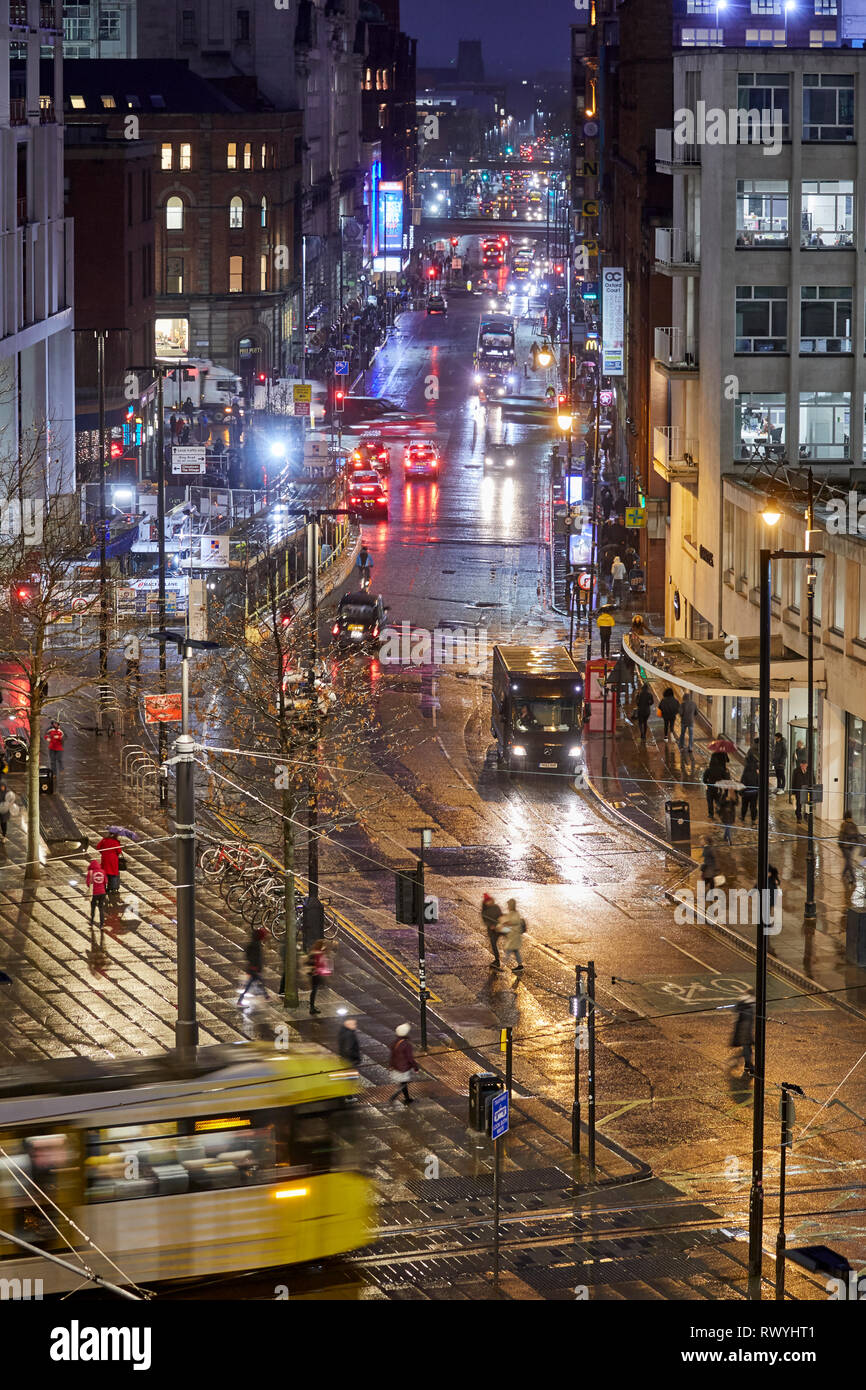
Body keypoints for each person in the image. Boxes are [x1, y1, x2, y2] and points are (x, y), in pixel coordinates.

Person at [388, 1022, 420, 1105]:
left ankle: (407, 1098)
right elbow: (410, 1058)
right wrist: (415, 1067)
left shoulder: (395, 1042)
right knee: (404, 1083)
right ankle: (397, 1096)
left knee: (403, 1082)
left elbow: (392, 1055)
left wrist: (391, 1065)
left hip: (396, 1066)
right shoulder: (406, 1044)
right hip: (404, 1067)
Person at [238, 927, 268, 1004]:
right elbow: (256, 958)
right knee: (249, 985)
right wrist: (256, 967)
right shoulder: (256, 945)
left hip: (253, 968)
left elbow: (248, 954)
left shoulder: (254, 943)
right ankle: (240, 1000)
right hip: (254, 968)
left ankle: (266, 996)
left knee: (258, 982)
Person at [730, 994, 755, 1076]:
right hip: (745, 1033)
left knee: (747, 1049)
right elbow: (748, 1025)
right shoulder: (748, 1010)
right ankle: (749, 1066)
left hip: (743, 1032)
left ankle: (748, 1065)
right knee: (747, 1049)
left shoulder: (742, 1008)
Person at [498, 897, 526, 972]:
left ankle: (502, 966)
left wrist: (505, 925)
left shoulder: (514, 914)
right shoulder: (514, 913)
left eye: (509, 905)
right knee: (516, 951)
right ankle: (520, 966)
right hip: (514, 937)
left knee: (508, 951)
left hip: (514, 937)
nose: (508, 906)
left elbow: (513, 924)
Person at [307, 939, 332, 1016]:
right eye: (323, 945)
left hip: (316, 974)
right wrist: (314, 969)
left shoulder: (317, 952)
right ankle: (311, 1008)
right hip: (315, 975)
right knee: (314, 991)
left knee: (314, 991)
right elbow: (311, 963)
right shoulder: (316, 953)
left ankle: (312, 1007)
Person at [838, 809, 864, 886]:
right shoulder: (847, 825)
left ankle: (844, 874)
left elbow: (841, 837)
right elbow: (856, 835)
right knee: (849, 862)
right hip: (847, 847)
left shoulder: (849, 825)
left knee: (848, 862)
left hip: (849, 847)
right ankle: (853, 878)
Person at [703, 749, 729, 820]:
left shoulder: (708, 770)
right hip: (718, 787)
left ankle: (711, 814)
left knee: (710, 801)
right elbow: (727, 761)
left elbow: (704, 779)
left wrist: (707, 783)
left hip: (710, 787)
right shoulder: (721, 768)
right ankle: (718, 807)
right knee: (717, 799)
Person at [481, 892, 504, 968]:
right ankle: (497, 960)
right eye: (487, 901)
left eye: (489, 900)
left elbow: (501, 915)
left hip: (499, 928)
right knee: (493, 945)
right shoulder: (484, 911)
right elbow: (485, 920)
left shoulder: (496, 907)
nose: (489, 902)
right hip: (492, 931)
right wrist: (490, 925)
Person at [96, 832, 123, 896]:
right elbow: (119, 851)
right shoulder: (115, 842)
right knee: (113, 874)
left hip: (105, 859)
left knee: (105, 873)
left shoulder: (104, 840)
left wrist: (103, 852)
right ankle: (112, 888)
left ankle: (103, 888)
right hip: (113, 860)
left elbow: (98, 847)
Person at [85, 857, 108, 930]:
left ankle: (91, 922)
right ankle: (101, 925)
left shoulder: (90, 873)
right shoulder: (103, 871)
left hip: (94, 893)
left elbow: (88, 883)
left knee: (93, 907)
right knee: (101, 908)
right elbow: (106, 881)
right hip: (102, 893)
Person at [740, 747, 759, 824]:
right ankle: (753, 819)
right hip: (754, 791)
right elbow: (758, 780)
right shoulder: (756, 768)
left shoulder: (746, 768)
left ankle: (743, 817)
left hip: (746, 791)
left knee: (744, 805)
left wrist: (741, 790)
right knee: (753, 806)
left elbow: (743, 779)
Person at [791, 756, 808, 824]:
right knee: (799, 804)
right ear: (800, 765)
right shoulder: (796, 771)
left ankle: (806, 816)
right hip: (799, 790)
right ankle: (799, 817)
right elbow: (793, 781)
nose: (804, 766)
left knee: (807, 804)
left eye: (805, 765)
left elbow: (813, 779)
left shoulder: (809, 770)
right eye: (803, 765)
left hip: (807, 790)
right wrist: (793, 792)